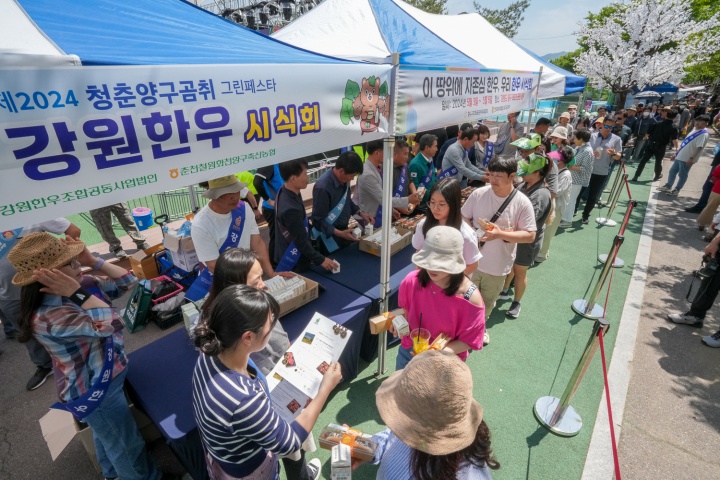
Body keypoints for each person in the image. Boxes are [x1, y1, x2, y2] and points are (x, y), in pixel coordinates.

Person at [7, 233, 162, 480]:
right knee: (125, 444)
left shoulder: (81, 285)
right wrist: (79, 292)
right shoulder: (48, 315)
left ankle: (111, 473)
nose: (79, 265)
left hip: (109, 373)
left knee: (107, 436)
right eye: (72, 262)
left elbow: (130, 280)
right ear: (50, 275)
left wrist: (94, 261)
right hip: (95, 389)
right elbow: (113, 323)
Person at [192, 285, 340, 480]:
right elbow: (290, 442)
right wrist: (324, 390)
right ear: (248, 337)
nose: (273, 327)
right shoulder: (243, 398)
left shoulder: (210, 352)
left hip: (225, 457)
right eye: (271, 324)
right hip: (252, 471)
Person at [367, 350, 500, 479]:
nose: (396, 422)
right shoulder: (418, 422)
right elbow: (391, 437)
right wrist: (366, 448)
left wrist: (345, 470)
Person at [0, 218, 81, 390]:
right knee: (28, 331)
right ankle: (46, 365)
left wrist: (72, 266)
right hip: (8, 295)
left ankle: (80, 360)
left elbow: (108, 323)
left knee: (71, 325)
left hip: (49, 289)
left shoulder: (28, 210)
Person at [461, 157, 536, 343]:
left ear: (512, 176)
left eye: (498, 176)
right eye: (491, 174)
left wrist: (500, 233)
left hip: (497, 266)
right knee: (463, 300)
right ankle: (461, 330)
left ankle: (480, 329)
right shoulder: (479, 193)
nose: (493, 180)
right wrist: (472, 232)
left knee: (486, 303)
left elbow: (530, 235)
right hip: (470, 262)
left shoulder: (522, 202)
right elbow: (463, 216)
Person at [391, 226, 484, 369]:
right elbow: (405, 310)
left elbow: (469, 340)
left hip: (446, 362)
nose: (432, 268)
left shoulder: (471, 299)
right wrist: (395, 320)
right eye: (428, 261)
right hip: (408, 352)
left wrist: (438, 352)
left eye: (440, 263)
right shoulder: (411, 280)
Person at [190, 175, 281, 302]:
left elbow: (257, 242)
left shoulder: (244, 208)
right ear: (214, 196)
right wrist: (247, 281)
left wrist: (271, 273)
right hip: (222, 283)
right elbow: (213, 265)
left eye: (236, 190)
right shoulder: (201, 223)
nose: (234, 197)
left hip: (247, 277)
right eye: (227, 193)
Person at [499, 155, 552, 319]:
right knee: (511, 265)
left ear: (536, 172)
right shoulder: (525, 184)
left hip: (527, 241)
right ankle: (505, 289)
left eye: (528, 166)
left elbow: (528, 222)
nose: (523, 168)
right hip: (515, 235)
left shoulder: (541, 194)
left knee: (520, 271)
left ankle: (516, 302)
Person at [274, 159, 338, 273]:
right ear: (293, 179)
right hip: (293, 259)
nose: (308, 177)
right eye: (305, 173)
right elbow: (300, 242)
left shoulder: (285, 191)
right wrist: (321, 260)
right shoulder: (290, 209)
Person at [412, 178, 481, 276]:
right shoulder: (423, 225)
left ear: (453, 205)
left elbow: (472, 264)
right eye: (432, 202)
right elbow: (419, 252)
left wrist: (446, 282)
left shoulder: (465, 234)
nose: (435, 208)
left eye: (441, 204)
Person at [311, 151, 374, 254]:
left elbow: (346, 201)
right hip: (328, 238)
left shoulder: (344, 180)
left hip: (344, 232)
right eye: (352, 175)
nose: (352, 179)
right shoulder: (323, 188)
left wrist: (360, 213)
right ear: (341, 171)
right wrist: (339, 233)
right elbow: (317, 220)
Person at [355, 140, 421, 227]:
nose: (388, 154)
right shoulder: (368, 174)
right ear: (377, 153)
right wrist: (408, 200)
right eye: (385, 151)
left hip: (379, 214)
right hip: (371, 218)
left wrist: (391, 210)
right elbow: (384, 199)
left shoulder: (376, 168)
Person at [581, 117, 623, 224]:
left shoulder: (616, 139)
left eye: (611, 127)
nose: (608, 129)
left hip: (601, 172)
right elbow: (582, 148)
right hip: (586, 169)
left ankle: (585, 215)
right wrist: (591, 152)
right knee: (579, 192)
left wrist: (613, 154)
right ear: (602, 125)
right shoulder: (592, 136)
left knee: (593, 195)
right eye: (606, 126)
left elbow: (618, 156)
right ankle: (573, 211)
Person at [537, 146, 574, 262]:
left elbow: (557, 191)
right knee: (545, 229)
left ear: (561, 161)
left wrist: (544, 184)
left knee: (548, 231)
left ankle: (542, 253)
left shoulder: (566, 174)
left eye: (555, 158)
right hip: (551, 204)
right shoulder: (556, 170)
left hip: (557, 206)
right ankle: (542, 250)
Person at [659, 115, 711, 195]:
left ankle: (677, 189)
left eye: (701, 121)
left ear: (706, 123)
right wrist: (676, 154)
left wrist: (691, 158)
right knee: (672, 171)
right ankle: (668, 186)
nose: (697, 123)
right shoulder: (694, 129)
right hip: (680, 156)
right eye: (697, 120)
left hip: (687, 158)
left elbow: (699, 147)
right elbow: (685, 144)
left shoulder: (703, 134)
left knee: (682, 175)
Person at [632, 108, 679, 182]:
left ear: (666, 115)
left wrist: (645, 137)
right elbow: (674, 139)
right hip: (661, 146)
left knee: (643, 161)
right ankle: (657, 176)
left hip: (651, 144)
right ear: (675, 117)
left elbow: (648, 133)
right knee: (658, 161)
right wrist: (677, 148)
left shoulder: (657, 123)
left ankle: (636, 176)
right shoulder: (673, 127)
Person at [253, 163, 287, 266]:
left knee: (283, 235)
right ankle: (274, 264)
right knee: (276, 236)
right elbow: (257, 182)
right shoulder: (269, 165)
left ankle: (282, 259)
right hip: (272, 209)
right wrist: (268, 200)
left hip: (282, 206)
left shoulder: (279, 164)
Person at [562, 129, 594, 228]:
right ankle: (565, 218)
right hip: (572, 178)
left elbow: (587, 169)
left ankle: (567, 220)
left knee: (571, 200)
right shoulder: (580, 147)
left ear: (581, 139)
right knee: (568, 199)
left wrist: (571, 167)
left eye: (575, 137)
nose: (573, 139)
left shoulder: (587, 151)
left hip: (577, 180)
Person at [685, 144, 720, 214]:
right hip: (717, 165)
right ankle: (704, 207)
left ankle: (701, 207)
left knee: (708, 187)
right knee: (709, 187)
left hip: (718, 167)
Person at [409, 133, 439, 212]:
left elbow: (433, 178)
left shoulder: (429, 159)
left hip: (432, 200)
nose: (437, 149)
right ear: (427, 147)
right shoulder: (415, 164)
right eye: (435, 146)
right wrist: (434, 195)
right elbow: (416, 187)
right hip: (422, 204)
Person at [391, 139, 419, 215]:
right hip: (393, 211)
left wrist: (415, 194)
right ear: (395, 154)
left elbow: (410, 181)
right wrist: (400, 207)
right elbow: (385, 197)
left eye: (408, 154)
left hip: (407, 206)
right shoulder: (387, 170)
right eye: (405, 154)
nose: (407, 157)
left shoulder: (405, 166)